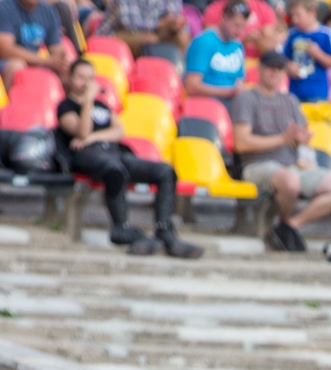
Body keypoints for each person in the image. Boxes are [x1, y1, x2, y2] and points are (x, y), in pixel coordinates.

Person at [58, 59, 201, 258]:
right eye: (81, 77)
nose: (86, 83)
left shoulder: (102, 105)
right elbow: (81, 133)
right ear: (70, 78)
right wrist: (88, 102)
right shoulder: (66, 106)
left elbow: (119, 131)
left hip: (114, 151)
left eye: (90, 78)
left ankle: (163, 227)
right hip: (88, 157)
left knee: (165, 171)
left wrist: (93, 136)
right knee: (114, 170)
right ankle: (121, 227)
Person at [232, 51, 331, 253]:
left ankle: (290, 226)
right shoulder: (246, 99)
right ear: (259, 69)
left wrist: (302, 143)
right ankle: (285, 224)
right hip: (257, 164)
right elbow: (241, 144)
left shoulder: (290, 100)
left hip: (291, 163)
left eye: (279, 69)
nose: (274, 73)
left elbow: (302, 137)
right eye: (270, 68)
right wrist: (282, 139)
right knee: (290, 181)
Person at [0, 0, 68, 82]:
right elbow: (5, 51)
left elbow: (57, 50)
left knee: (66, 69)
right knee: (16, 65)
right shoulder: (2, 9)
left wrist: (60, 63)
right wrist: (47, 61)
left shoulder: (48, 11)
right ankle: (11, 100)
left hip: (34, 60)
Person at [184, 0, 249, 100]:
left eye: (242, 27)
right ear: (224, 18)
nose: (239, 31)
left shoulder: (238, 45)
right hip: (206, 102)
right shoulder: (204, 42)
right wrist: (228, 92)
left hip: (232, 102)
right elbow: (191, 86)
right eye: (236, 25)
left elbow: (239, 81)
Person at [282, 0, 331, 105]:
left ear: (312, 12)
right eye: (292, 15)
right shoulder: (292, 33)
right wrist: (289, 67)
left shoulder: (326, 33)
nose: (294, 20)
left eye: (298, 15)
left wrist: (318, 54)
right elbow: (284, 59)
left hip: (317, 92)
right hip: (295, 91)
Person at [102, 0, 190, 61]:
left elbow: (172, 15)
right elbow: (130, 24)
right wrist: (160, 24)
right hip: (114, 34)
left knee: (182, 37)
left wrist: (176, 23)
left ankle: (176, 74)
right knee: (149, 39)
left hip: (154, 32)